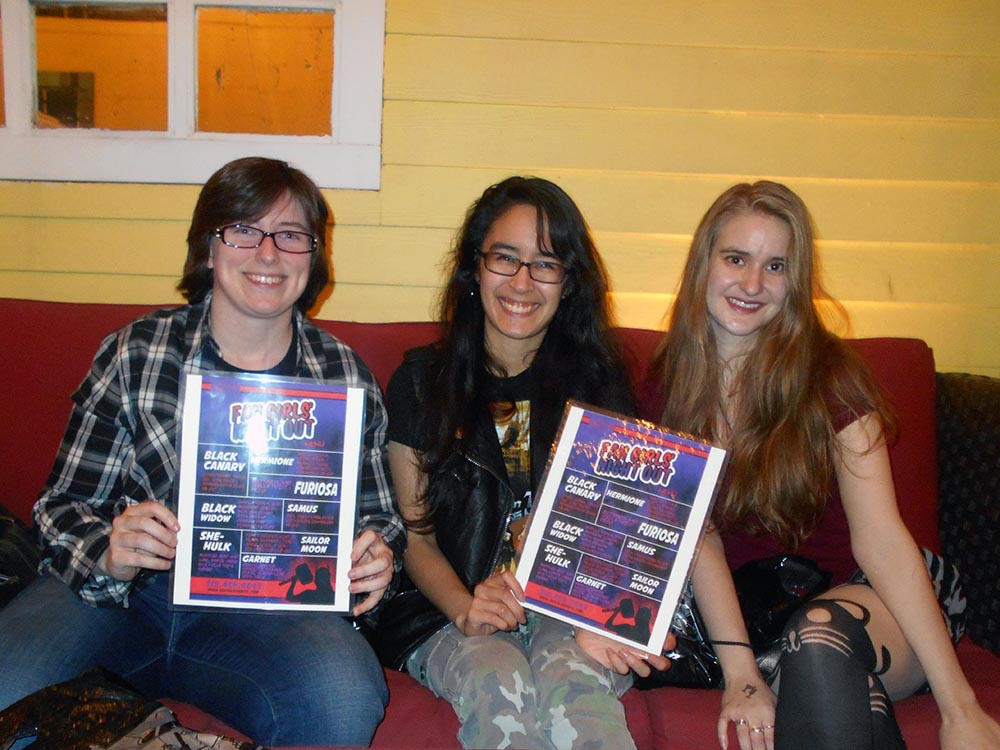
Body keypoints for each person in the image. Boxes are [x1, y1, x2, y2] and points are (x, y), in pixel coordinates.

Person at [0, 156, 405, 747]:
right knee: (7, 684)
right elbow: (60, 505)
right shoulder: (136, 353)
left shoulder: (345, 377)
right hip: (120, 600)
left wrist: (375, 556)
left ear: (314, 256)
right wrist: (109, 551)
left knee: (344, 696)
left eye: (290, 235)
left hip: (266, 615)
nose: (268, 253)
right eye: (243, 229)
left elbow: (380, 519)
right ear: (208, 248)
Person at [645, 180, 1000, 750]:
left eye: (776, 266)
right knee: (814, 670)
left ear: (796, 280)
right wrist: (742, 675)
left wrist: (961, 710)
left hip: (867, 598)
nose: (752, 284)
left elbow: (881, 542)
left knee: (816, 642)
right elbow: (696, 535)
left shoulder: (832, 377)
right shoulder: (665, 385)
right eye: (736, 258)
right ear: (702, 263)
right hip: (763, 617)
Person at [367, 176, 671, 749]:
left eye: (546, 264)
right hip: (445, 608)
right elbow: (415, 537)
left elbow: (620, 535)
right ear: (475, 267)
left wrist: (602, 610)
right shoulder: (421, 382)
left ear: (568, 282)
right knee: (496, 678)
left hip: (565, 610)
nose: (523, 282)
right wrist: (465, 608)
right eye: (505, 258)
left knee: (575, 684)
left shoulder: (599, 382)